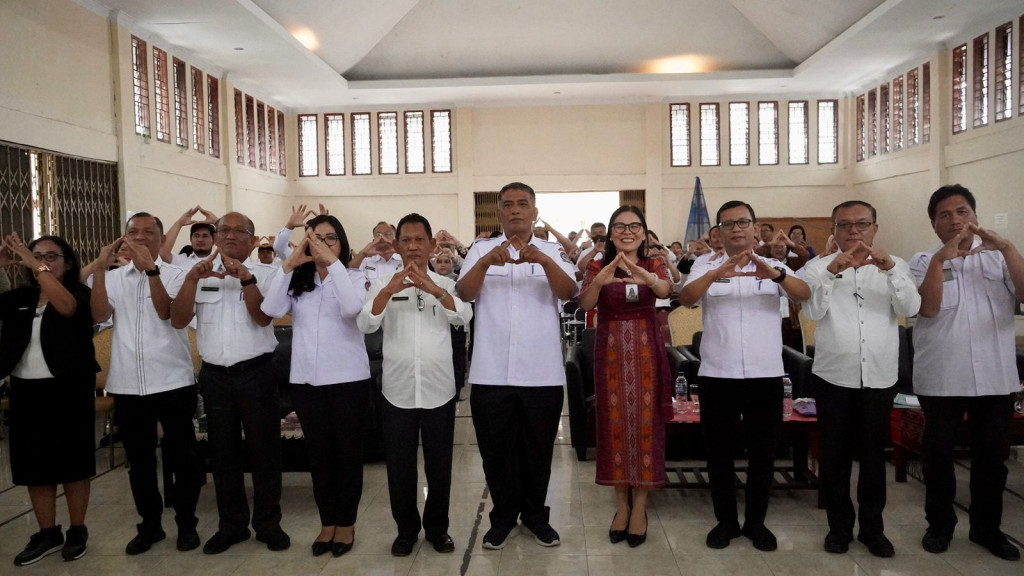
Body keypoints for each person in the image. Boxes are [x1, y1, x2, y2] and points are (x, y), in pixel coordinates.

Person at [679, 201, 810, 552]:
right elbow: (686, 298)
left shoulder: (775, 265)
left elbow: (804, 294)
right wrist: (715, 272)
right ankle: (725, 521)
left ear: (754, 228)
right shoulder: (704, 266)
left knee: (763, 454)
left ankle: (756, 522)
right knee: (718, 453)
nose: (736, 228)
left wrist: (776, 275)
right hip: (717, 374)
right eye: (729, 224)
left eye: (743, 222)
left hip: (765, 375)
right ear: (719, 231)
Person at [457, 182, 577, 550]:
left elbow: (569, 293)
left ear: (534, 211)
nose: (515, 211)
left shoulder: (552, 250)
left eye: (523, 204)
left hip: (541, 371)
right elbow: (464, 293)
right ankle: (503, 517)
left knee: (538, 451)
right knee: (496, 452)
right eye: (507, 205)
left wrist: (542, 260)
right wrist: (484, 262)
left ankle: (537, 517)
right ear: (498, 212)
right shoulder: (480, 249)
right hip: (490, 370)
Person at [911, 185, 1024, 561]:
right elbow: (926, 309)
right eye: (945, 215)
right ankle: (939, 526)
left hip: (994, 376)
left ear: (974, 216)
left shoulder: (999, 260)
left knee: (992, 458)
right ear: (934, 224)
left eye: (962, 212)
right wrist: (940, 262)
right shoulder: (922, 260)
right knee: (938, 456)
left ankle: (986, 529)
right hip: (942, 375)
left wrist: (1008, 248)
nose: (955, 220)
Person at [803, 201, 920, 558]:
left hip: (879, 376)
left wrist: (889, 272)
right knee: (834, 456)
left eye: (862, 224)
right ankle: (839, 529)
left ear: (875, 228)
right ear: (833, 230)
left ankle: (873, 529)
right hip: (833, 375)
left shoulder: (895, 265)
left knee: (872, 457)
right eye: (845, 225)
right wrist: (833, 272)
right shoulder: (816, 267)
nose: (854, 231)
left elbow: (910, 309)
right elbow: (811, 310)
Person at [170, 212, 290, 554]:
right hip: (215, 376)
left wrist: (246, 278)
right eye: (224, 230)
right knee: (223, 456)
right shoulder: (196, 274)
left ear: (254, 241)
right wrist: (193, 280)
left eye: (241, 231)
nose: (231, 236)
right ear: (214, 236)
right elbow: (178, 319)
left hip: (257, 373)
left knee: (264, 453)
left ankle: (268, 524)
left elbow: (263, 316)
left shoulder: (268, 273)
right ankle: (232, 526)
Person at [89, 213, 205, 555]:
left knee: (182, 456)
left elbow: (167, 312)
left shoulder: (178, 273)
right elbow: (98, 315)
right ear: (124, 238)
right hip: (127, 383)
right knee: (139, 461)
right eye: (132, 232)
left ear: (160, 238)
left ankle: (187, 523)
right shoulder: (115, 278)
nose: (139, 237)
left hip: (172, 379)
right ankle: (150, 525)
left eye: (148, 232)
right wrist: (98, 269)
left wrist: (150, 270)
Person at [358, 213, 473, 557]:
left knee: (439, 465)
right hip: (397, 389)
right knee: (400, 467)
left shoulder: (448, 284)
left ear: (432, 244)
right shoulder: (383, 284)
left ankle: (438, 528)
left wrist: (435, 289)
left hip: (439, 388)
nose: (412, 246)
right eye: (405, 240)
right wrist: (390, 290)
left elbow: (463, 317)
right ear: (396, 246)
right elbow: (366, 323)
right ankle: (406, 530)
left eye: (419, 240)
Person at [260, 214, 369, 558]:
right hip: (307, 381)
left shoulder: (354, 276)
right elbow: (270, 308)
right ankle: (327, 523)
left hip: (348, 380)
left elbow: (353, 309)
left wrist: (333, 264)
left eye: (331, 238)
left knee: (347, 456)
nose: (322, 243)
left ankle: (347, 524)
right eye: (316, 238)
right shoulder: (298, 282)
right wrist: (289, 264)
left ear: (341, 243)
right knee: (319, 457)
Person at [578, 206, 673, 548]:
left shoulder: (654, 262)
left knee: (646, 425)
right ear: (611, 233)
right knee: (616, 425)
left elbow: (665, 291)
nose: (627, 231)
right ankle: (621, 505)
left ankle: (641, 507)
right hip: (612, 352)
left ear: (645, 233)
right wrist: (603, 279)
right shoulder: (597, 265)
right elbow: (585, 303)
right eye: (620, 226)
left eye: (635, 226)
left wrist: (642, 275)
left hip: (647, 350)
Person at [0, 233, 97, 566]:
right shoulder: (22, 297)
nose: (44, 261)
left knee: (72, 462)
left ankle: (77, 529)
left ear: (67, 262)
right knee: (34, 466)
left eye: (52, 256)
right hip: (27, 389)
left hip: (68, 388)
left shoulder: (79, 293)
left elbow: (66, 307)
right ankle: (47, 532)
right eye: (38, 255)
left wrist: (34, 264)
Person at [350, 221, 403, 289]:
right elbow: (348, 274)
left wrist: (400, 250)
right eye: (378, 235)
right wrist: (363, 253)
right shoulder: (366, 261)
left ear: (395, 239)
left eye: (387, 234)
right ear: (373, 240)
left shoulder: (403, 259)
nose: (382, 238)